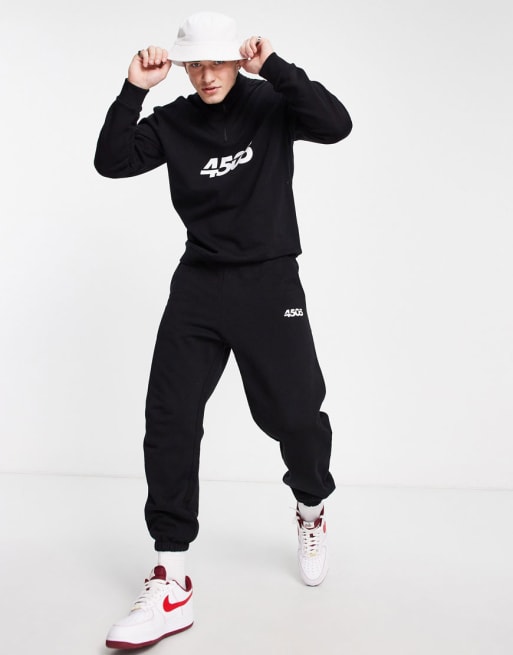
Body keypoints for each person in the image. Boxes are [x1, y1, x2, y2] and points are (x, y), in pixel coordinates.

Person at [94, 10, 352, 650]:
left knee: (295, 416)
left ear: (238, 61)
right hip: (201, 284)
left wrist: (278, 69)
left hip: (269, 281)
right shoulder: (174, 121)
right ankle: (171, 577)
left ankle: (311, 505)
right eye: (196, 65)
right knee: (170, 415)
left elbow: (336, 124)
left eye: (218, 63)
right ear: (184, 66)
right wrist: (134, 89)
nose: (207, 76)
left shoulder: (271, 103)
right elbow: (111, 161)